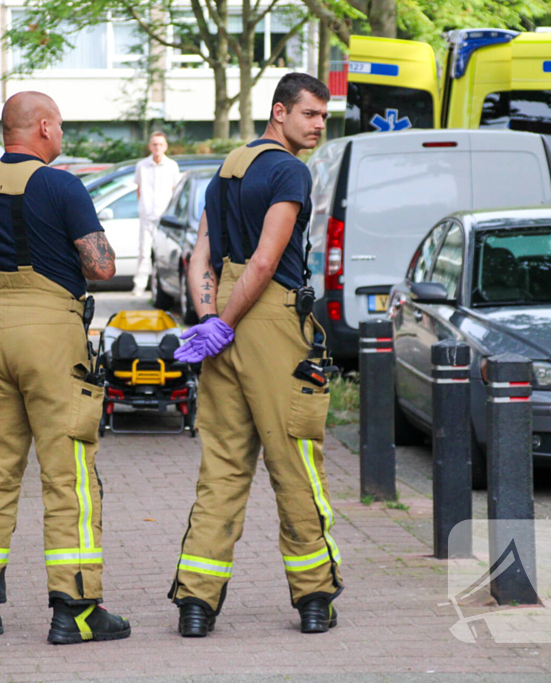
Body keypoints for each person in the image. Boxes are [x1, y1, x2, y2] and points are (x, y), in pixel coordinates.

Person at [0, 91, 131, 645]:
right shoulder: (61, 185)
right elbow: (100, 266)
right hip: (49, 335)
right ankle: (74, 610)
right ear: (44, 128)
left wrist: (4, 255)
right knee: (67, 473)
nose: (63, 135)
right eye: (61, 126)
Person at [167, 73, 344, 637]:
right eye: (310, 114)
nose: (319, 125)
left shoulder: (226, 168)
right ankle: (315, 599)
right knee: (294, 462)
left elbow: (201, 255)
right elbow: (266, 262)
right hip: (269, 321)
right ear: (279, 112)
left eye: (323, 115)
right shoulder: (289, 170)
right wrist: (224, 320)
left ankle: (196, 604)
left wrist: (207, 319)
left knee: (221, 466)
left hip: (225, 321)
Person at [132, 131, 181, 295]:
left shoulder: (172, 166)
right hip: (146, 215)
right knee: (144, 252)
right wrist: (143, 207)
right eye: (154, 144)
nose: (157, 147)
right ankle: (139, 285)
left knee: (163, 253)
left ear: (166, 146)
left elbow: (175, 190)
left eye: (160, 144)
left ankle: (160, 287)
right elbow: (139, 189)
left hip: (164, 217)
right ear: (149, 146)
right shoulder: (142, 165)